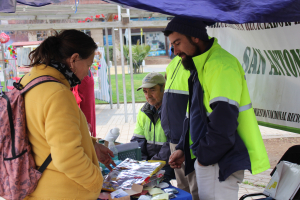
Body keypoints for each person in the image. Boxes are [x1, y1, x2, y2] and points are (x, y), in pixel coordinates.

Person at [164, 17, 270, 200]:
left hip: (219, 161)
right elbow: (195, 115)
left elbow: (224, 120)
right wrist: (183, 148)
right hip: (212, 159)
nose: (175, 51)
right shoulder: (201, 66)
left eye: (178, 43)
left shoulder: (220, 65)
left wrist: (204, 159)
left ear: (195, 37)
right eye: (173, 45)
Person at [22, 29, 116, 199]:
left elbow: (45, 138)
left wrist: (92, 146)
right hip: (61, 192)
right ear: (73, 60)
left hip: (37, 188)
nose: (87, 72)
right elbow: (68, 158)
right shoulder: (57, 93)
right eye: (88, 65)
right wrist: (96, 182)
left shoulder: (29, 81)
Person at [160, 56, 199, 199]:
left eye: (177, 42)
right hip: (174, 138)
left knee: (196, 189)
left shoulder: (195, 62)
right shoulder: (173, 62)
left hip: (189, 139)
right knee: (182, 188)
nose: (175, 49)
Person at [130, 72, 175, 183]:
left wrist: (151, 164)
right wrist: (142, 163)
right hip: (150, 165)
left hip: (169, 164)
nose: (148, 95)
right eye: (145, 91)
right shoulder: (143, 111)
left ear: (163, 88)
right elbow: (137, 141)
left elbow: (172, 144)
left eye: (152, 90)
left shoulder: (172, 111)